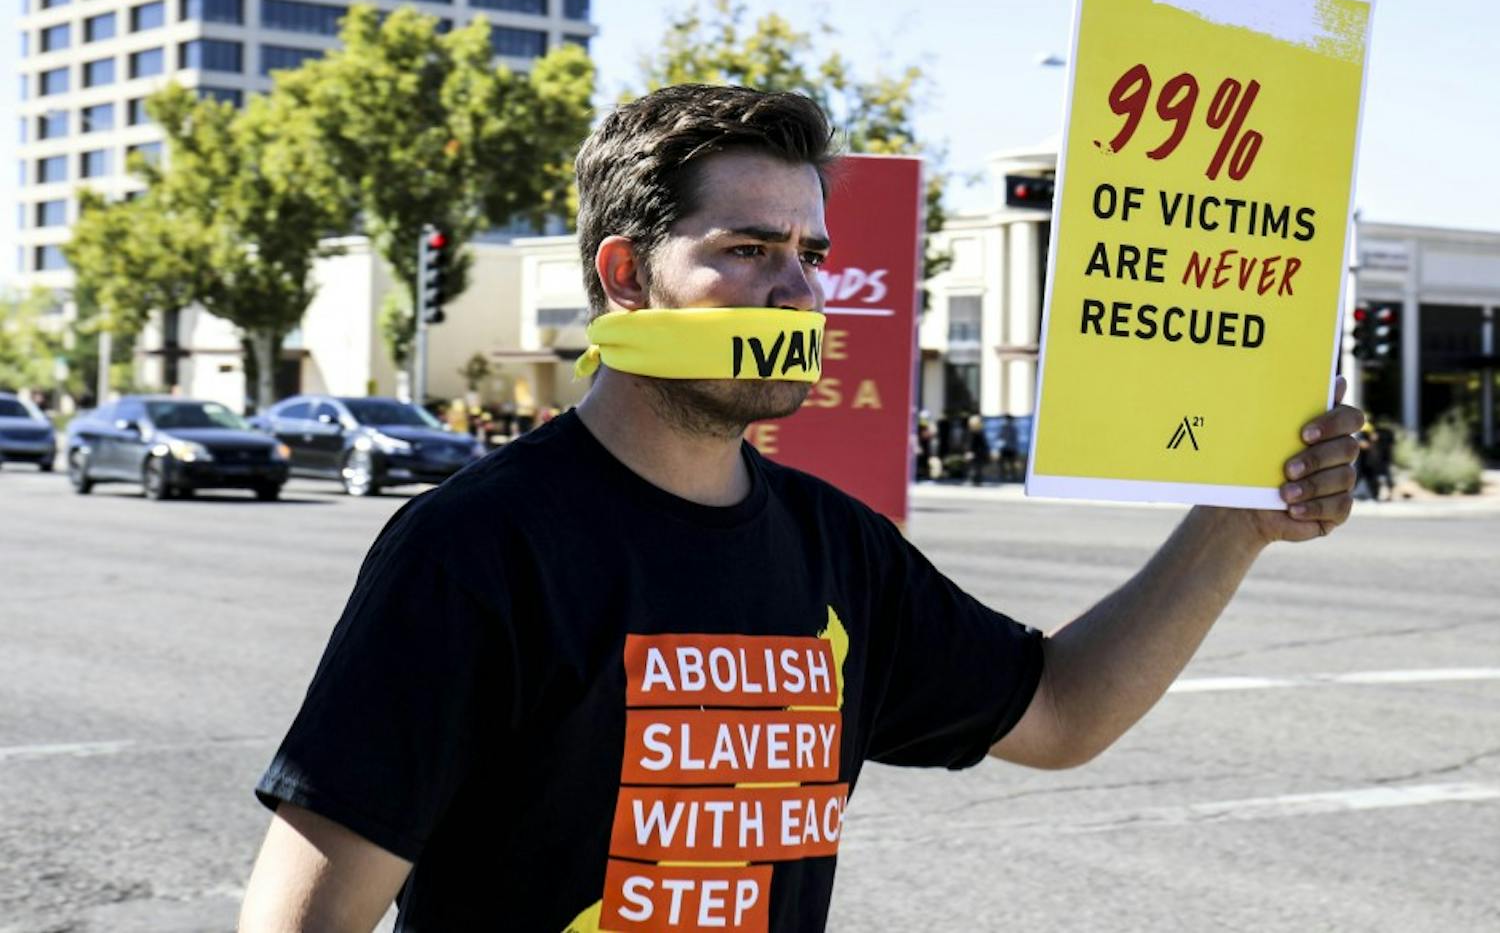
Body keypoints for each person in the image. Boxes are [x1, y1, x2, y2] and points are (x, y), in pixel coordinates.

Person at [239, 85, 1361, 933]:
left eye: (811, 255)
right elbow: (305, 921)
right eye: (747, 250)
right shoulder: (476, 548)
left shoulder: (838, 550)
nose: (798, 290)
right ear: (626, 276)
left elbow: (1061, 713)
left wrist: (1233, 523)